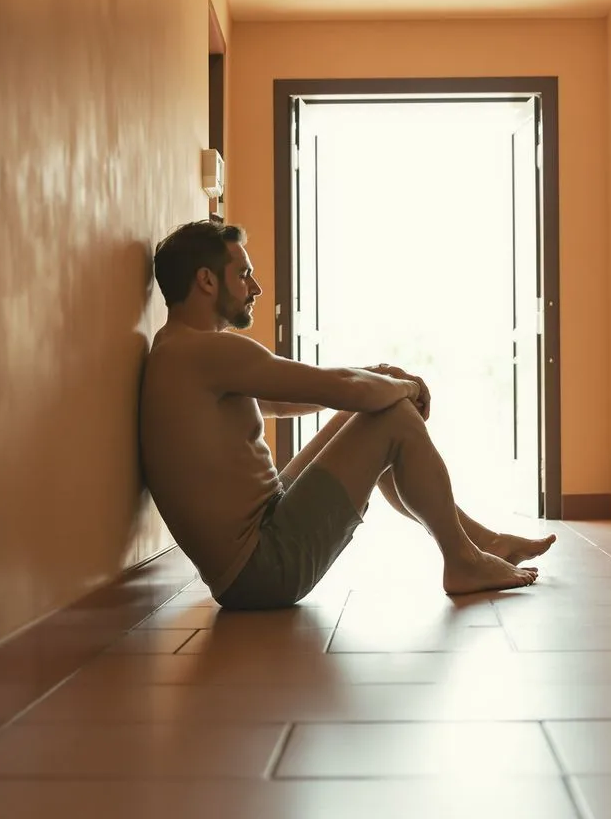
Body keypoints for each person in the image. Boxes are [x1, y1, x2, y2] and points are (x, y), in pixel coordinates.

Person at [139, 220, 555, 610]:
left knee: (374, 407)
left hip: (253, 555)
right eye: (244, 273)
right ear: (206, 280)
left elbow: (289, 399)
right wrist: (407, 387)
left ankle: (482, 542)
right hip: (263, 569)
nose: (257, 287)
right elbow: (342, 389)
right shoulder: (207, 351)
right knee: (392, 415)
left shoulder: (178, 350)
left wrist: (376, 377)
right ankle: (463, 559)